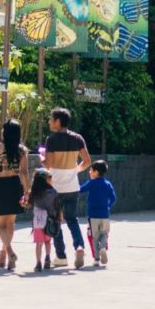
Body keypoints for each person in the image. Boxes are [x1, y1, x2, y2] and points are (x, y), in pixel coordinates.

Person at [44, 107, 91, 269]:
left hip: (55, 188)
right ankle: (79, 247)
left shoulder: (51, 140)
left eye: (51, 119)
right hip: (73, 187)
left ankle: (61, 256)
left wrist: (41, 158)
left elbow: (48, 164)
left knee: (55, 220)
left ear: (58, 121)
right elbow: (87, 161)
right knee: (72, 219)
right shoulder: (78, 138)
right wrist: (76, 170)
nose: (49, 122)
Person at [0, 118, 29, 271]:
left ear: (5, 132)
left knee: (0, 225)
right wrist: (26, 192)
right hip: (14, 185)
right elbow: (24, 173)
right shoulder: (22, 150)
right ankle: (3, 252)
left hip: (0, 185)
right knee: (10, 224)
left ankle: (9, 252)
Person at [78, 159, 117, 265]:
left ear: (96, 172)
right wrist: (108, 206)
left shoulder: (91, 183)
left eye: (90, 170)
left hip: (93, 215)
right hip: (105, 215)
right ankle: (103, 247)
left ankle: (96, 259)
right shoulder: (107, 184)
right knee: (104, 234)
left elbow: (80, 189)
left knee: (94, 237)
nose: (89, 172)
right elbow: (113, 198)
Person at [28, 169, 58, 272]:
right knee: (48, 241)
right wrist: (58, 217)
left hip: (38, 221)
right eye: (50, 178)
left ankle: (38, 263)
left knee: (39, 244)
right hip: (50, 220)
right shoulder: (53, 192)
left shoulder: (34, 192)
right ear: (45, 180)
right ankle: (48, 258)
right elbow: (57, 206)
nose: (52, 179)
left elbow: (29, 203)